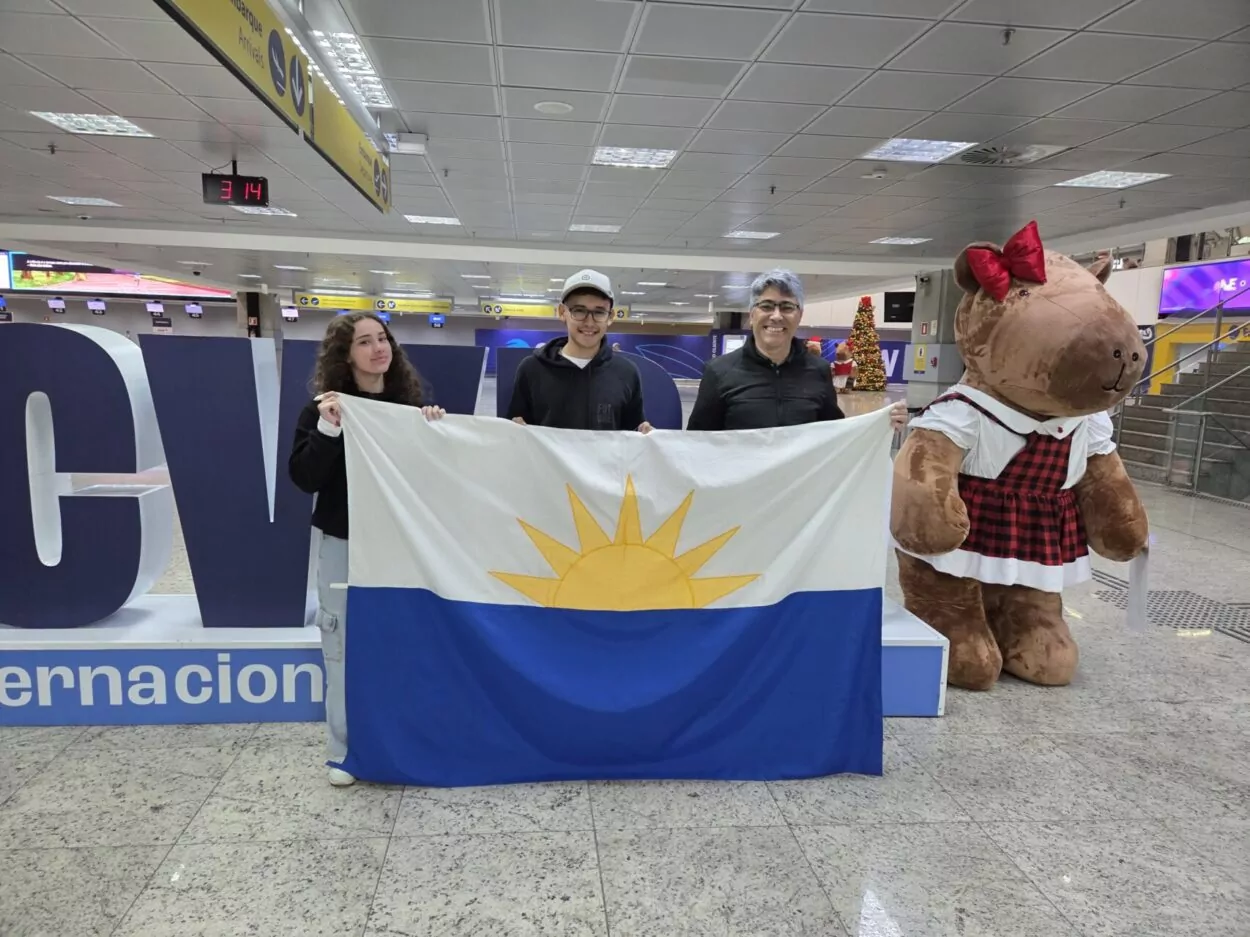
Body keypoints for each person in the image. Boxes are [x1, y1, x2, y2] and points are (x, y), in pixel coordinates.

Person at [288, 312, 443, 787]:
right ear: (345, 354)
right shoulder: (323, 409)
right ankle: (343, 751)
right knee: (341, 646)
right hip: (344, 543)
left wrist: (435, 433)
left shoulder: (408, 409)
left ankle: (401, 739)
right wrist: (328, 430)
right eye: (364, 342)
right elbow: (304, 478)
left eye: (383, 339)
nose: (378, 349)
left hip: (397, 545)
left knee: (399, 642)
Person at [687, 269, 907, 432]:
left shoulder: (818, 370)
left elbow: (834, 434)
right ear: (752, 314)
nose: (776, 316)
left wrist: (882, 424)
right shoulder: (719, 371)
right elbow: (698, 441)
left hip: (802, 483)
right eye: (766, 306)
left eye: (787, 307)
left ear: (799, 315)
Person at [507, 269, 652, 432]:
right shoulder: (532, 369)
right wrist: (515, 429)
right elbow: (517, 430)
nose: (589, 322)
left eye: (599, 312)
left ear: (610, 316)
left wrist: (643, 433)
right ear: (562, 313)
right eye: (579, 310)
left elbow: (633, 433)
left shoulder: (627, 373)